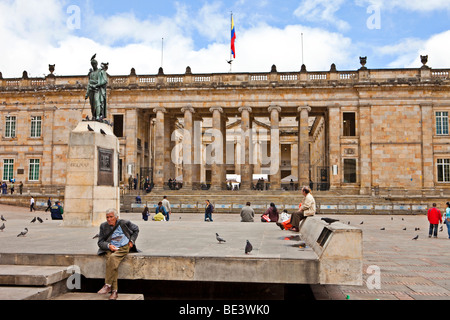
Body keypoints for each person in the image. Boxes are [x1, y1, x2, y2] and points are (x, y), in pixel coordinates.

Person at [97, 208, 139, 300]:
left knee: (112, 259)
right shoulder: (103, 226)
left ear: (116, 217)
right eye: (107, 217)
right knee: (112, 262)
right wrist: (108, 246)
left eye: (111, 217)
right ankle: (114, 292)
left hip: (123, 247)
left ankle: (108, 285)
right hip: (111, 247)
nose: (109, 219)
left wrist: (132, 241)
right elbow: (100, 242)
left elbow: (136, 229)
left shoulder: (124, 223)